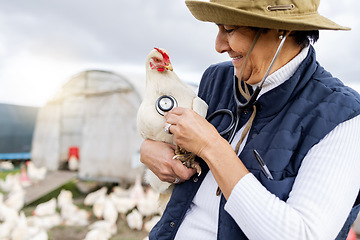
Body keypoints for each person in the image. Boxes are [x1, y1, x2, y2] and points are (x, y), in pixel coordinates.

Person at [140, 0, 360, 239]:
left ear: (282, 30)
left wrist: (212, 147)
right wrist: (152, 150)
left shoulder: (343, 116)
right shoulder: (217, 79)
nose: (219, 45)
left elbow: (304, 235)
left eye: (230, 29)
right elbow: (179, 149)